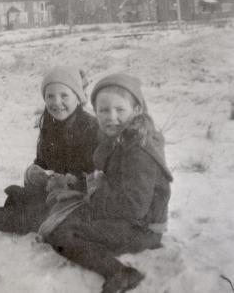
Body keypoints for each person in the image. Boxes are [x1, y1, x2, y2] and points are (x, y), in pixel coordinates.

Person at [40, 72, 173, 293]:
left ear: (137, 110)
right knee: (62, 217)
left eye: (119, 110)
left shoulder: (139, 150)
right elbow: (109, 181)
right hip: (128, 218)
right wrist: (80, 186)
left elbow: (134, 206)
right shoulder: (118, 139)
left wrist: (94, 194)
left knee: (63, 233)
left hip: (143, 229)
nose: (111, 117)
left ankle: (119, 272)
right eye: (103, 110)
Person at [0, 66, 99, 234]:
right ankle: (30, 216)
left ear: (78, 98)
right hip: (52, 191)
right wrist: (36, 172)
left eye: (64, 95)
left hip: (78, 197)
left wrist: (66, 182)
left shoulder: (91, 128)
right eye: (50, 96)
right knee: (9, 201)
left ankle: (35, 220)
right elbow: (42, 162)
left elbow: (97, 177)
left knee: (37, 214)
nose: (56, 102)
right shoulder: (49, 125)